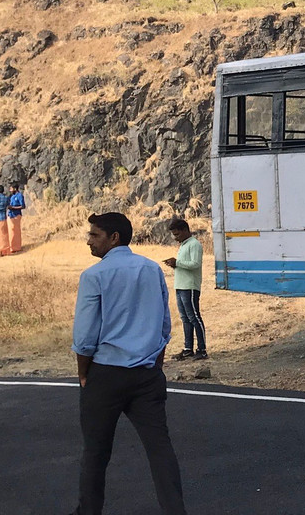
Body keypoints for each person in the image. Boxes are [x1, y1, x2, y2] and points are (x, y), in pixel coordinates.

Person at [70, 212, 187, 515]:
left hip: (106, 373)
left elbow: (85, 336)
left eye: (94, 235)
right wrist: (155, 363)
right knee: (160, 448)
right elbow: (164, 324)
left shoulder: (94, 276)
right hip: (146, 373)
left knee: (96, 452)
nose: (89, 241)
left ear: (114, 238)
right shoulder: (151, 269)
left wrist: (83, 374)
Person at [164, 218, 207, 360]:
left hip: (190, 286)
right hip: (180, 286)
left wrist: (177, 262)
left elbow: (195, 264)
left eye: (177, 234)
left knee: (194, 318)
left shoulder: (194, 244)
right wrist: (175, 264)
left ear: (185, 230)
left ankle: (202, 349)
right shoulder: (184, 244)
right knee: (185, 318)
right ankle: (188, 348)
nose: (175, 238)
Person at [7, 183, 26, 254]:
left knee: (16, 231)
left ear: (15, 188)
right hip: (10, 215)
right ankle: (11, 246)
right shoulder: (12, 196)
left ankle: (16, 247)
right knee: (10, 231)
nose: (10, 190)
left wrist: (13, 208)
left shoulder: (20, 195)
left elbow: (23, 206)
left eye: (11, 189)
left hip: (16, 215)